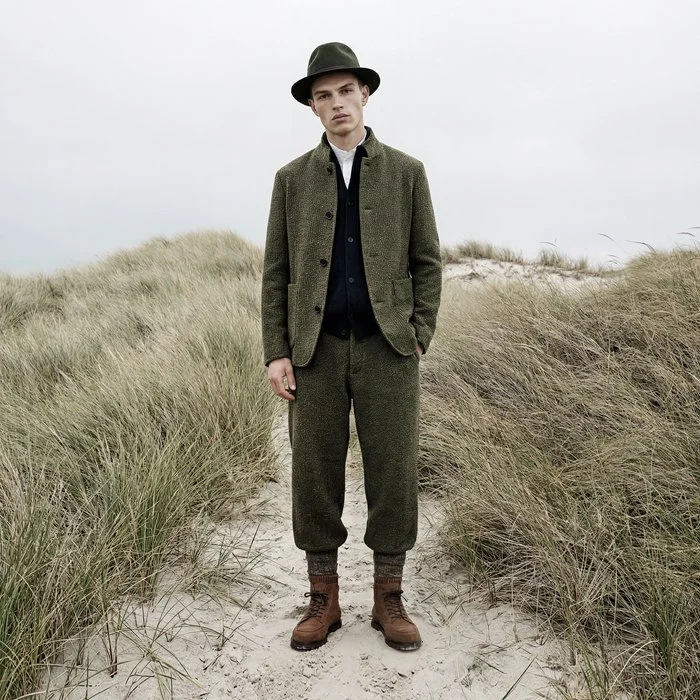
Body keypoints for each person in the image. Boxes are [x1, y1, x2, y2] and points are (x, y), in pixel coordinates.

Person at [261, 42, 441, 652]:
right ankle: (324, 598)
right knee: (314, 473)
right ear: (312, 107)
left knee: (394, 471)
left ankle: (389, 597)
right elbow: (277, 274)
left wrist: (419, 333)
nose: (337, 103)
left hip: (388, 349)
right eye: (324, 95)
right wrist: (277, 350)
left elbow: (427, 261)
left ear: (364, 94)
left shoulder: (407, 172)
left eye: (345, 90)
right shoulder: (291, 180)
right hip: (313, 352)